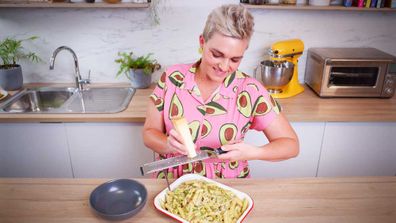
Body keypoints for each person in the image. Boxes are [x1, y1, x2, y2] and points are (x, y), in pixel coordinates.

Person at [142, 4, 299, 179]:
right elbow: (149, 133)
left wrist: (253, 152)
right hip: (172, 181)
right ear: (202, 42)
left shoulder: (250, 90)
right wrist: (169, 145)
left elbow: (291, 145)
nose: (224, 67)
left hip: (227, 187)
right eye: (216, 55)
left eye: (235, 59)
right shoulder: (172, 78)